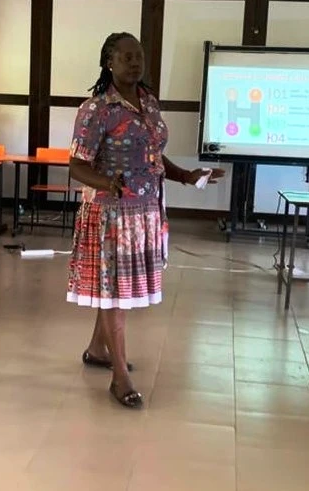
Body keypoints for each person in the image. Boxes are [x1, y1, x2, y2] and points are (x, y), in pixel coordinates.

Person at [67, 32, 225, 408]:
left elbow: (153, 154)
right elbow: (76, 165)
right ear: (109, 62)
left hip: (145, 212)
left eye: (138, 56)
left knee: (114, 290)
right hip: (110, 216)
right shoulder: (96, 109)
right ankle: (119, 377)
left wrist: (186, 175)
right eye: (126, 57)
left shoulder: (149, 102)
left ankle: (97, 349)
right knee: (115, 294)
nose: (135, 62)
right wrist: (107, 183)